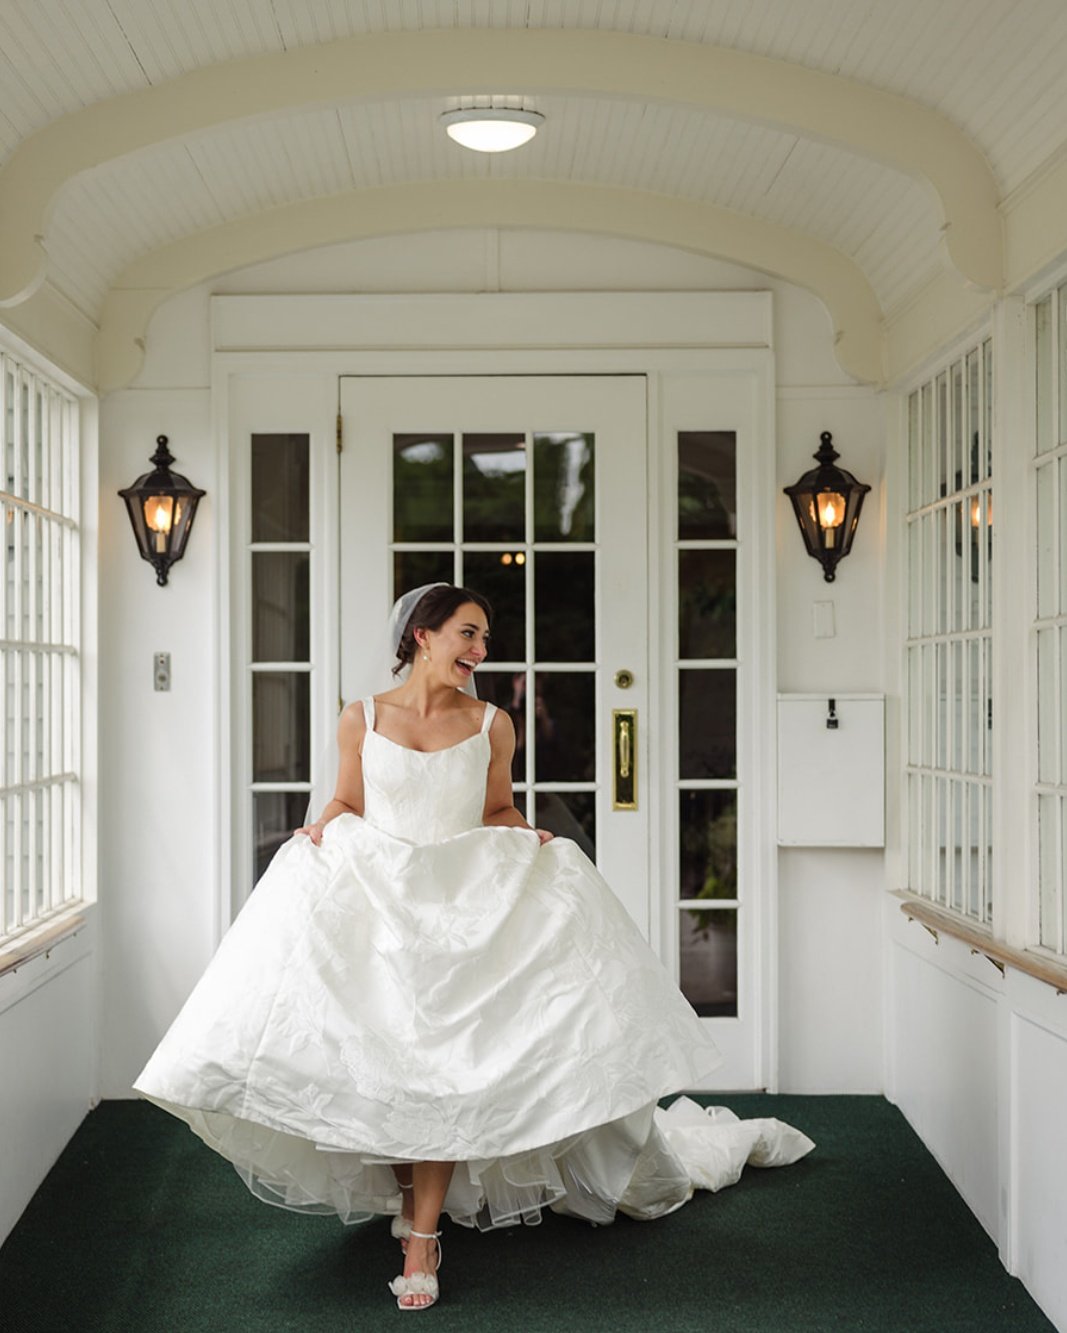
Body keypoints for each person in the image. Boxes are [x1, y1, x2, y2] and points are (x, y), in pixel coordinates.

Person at [134, 584, 811, 1313]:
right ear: (423, 635)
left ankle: (422, 1239)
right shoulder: (360, 716)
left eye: (484, 638)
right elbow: (346, 800)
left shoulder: (493, 722)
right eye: (468, 633)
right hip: (381, 908)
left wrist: (528, 836)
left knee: (444, 1068)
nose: (480, 651)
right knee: (390, 1062)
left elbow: (495, 809)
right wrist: (319, 828)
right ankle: (407, 1203)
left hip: (461, 910)